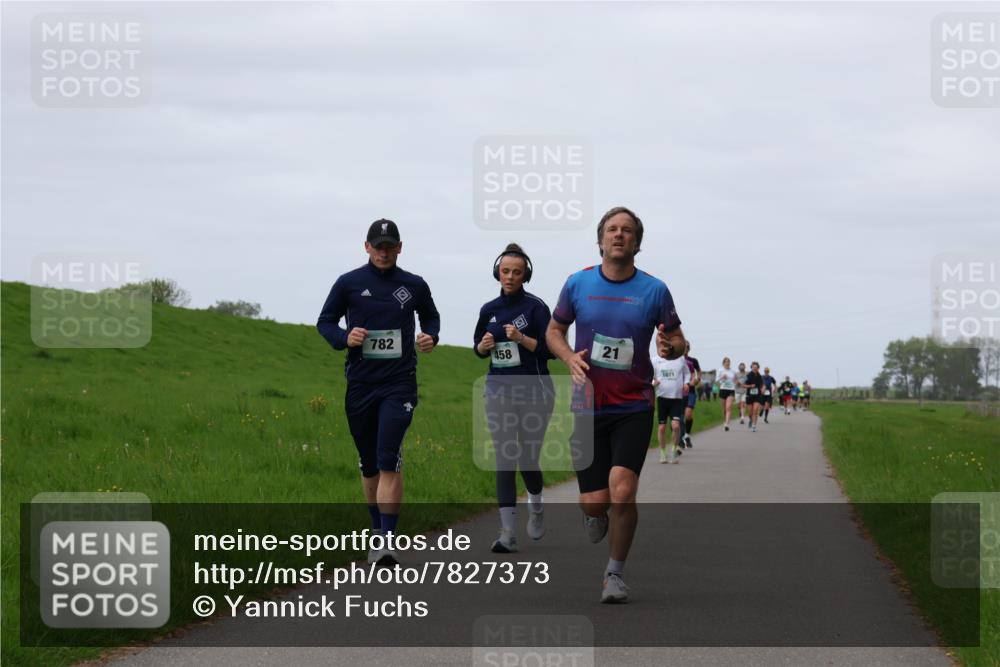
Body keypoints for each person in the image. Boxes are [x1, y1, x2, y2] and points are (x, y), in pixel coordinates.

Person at [546, 206, 685, 604]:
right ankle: (594, 514)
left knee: (622, 490)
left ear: (637, 243)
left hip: (633, 405)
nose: (619, 235)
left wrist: (671, 347)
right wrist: (568, 357)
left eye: (627, 230)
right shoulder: (578, 283)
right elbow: (554, 330)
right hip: (587, 405)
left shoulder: (654, 290)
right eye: (612, 229)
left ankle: (614, 574)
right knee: (594, 503)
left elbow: (679, 340)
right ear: (601, 240)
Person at [317, 219, 440, 566]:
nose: (383, 252)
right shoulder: (349, 283)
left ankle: (386, 541)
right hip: (360, 384)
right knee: (369, 463)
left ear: (400, 247)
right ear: (366, 247)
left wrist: (430, 336)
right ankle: (376, 530)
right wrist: (345, 338)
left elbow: (431, 317)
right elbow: (325, 322)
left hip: (399, 383)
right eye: (378, 246)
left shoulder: (414, 285)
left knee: (388, 457)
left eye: (389, 246)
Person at [473, 243, 554, 554]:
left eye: (516, 272)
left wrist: (522, 338)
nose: (510, 276)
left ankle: (537, 505)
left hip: (535, 391)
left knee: (528, 459)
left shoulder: (536, 308)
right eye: (505, 271)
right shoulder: (488, 309)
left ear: (525, 275)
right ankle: (507, 532)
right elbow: (478, 349)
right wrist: (483, 346)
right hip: (498, 389)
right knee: (505, 457)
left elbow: (550, 350)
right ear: (497, 272)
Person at [651, 352, 690, 464]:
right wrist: (653, 382)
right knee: (662, 428)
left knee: (676, 426)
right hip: (662, 398)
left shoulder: (680, 358)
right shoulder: (655, 360)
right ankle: (663, 453)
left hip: (676, 398)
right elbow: (649, 376)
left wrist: (686, 383)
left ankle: (673, 451)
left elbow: (687, 373)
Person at [680, 341, 701, 448]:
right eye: (684, 347)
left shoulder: (693, 360)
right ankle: (682, 437)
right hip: (678, 391)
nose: (685, 349)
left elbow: (699, 372)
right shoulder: (675, 360)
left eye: (687, 347)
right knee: (680, 417)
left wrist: (697, 380)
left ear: (689, 349)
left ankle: (687, 435)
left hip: (690, 391)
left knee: (688, 414)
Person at [716, 357, 738, 431]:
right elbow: (717, 380)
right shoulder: (720, 370)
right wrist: (722, 377)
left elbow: (735, 380)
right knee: (724, 409)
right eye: (726, 362)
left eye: (728, 362)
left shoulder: (733, 371)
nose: (727, 363)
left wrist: (736, 384)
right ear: (723, 363)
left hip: (731, 390)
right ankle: (725, 420)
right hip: (723, 389)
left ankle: (727, 424)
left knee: (728, 407)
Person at [742, 361, 764, 432]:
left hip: (757, 396)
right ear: (751, 367)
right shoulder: (748, 376)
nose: (755, 368)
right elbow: (743, 385)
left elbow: (762, 385)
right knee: (750, 413)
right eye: (753, 367)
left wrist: (763, 389)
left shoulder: (760, 376)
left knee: (755, 410)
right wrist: (750, 386)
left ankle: (754, 426)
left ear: (758, 368)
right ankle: (751, 420)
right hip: (749, 395)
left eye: (756, 367)